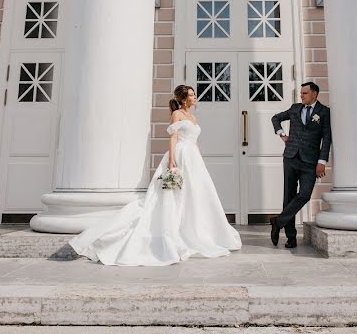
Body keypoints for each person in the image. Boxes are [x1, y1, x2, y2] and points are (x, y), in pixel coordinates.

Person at [68, 85, 241, 266]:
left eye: (193, 94)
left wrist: (199, 160)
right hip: (180, 155)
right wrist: (172, 161)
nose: (194, 97)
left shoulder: (193, 117)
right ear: (183, 99)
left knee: (197, 193)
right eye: (191, 95)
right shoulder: (178, 114)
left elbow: (195, 141)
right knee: (173, 194)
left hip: (193, 158)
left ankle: (197, 230)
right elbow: (173, 138)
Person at [269, 81, 332, 248]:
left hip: (310, 161)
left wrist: (322, 162)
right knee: (288, 197)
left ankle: (278, 221)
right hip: (290, 157)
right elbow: (275, 118)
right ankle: (291, 238)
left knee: (304, 195)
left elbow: (327, 138)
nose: (301, 95)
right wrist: (282, 134)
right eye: (301, 93)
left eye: (304, 93)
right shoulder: (295, 108)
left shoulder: (324, 112)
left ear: (314, 94)